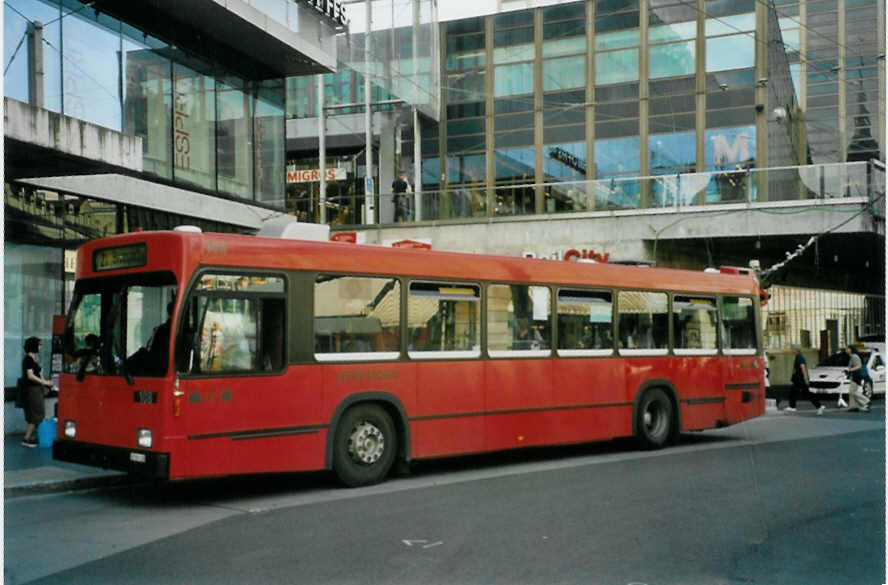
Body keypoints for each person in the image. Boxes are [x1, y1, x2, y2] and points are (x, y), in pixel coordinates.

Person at [20, 337, 53, 447]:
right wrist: (44, 382)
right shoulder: (28, 360)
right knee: (37, 414)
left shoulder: (34, 359)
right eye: (39, 345)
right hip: (32, 390)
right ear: (34, 346)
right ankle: (26, 439)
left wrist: (45, 382)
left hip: (36, 389)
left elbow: (38, 373)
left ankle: (33, 437)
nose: (40, 347)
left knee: (36, 414)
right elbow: (30, 376)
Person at [785, 343, 825, 415]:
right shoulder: (798, 356)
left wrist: (805, 378)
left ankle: (819, 406)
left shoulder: (800, 357)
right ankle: (792, 407)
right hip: (798, 379)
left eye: (792, 349)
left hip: (800, 379)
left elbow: (803, 367)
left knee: (806, 394)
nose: (791, 350)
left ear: (795, 349)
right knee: (794, 392)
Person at [844, 344, 871, 412]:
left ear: (850, 349)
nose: (846, 350)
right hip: (854, 375)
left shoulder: (854, 356)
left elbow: (859, 366)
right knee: (852, 391)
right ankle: (853, 406)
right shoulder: (852, 356)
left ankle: (866, 401)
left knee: (852, 391)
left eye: (847, 349)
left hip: (857, 375)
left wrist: (850, 370)